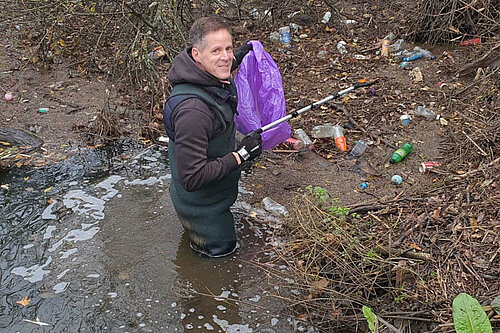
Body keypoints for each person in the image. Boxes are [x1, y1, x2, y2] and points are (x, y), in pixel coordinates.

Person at [163, 16, 262, 258]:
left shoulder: (200, 72)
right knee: (219, 267)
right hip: (204, 211)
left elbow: (222, 63)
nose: (225, 57)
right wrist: (241, 156)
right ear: (197, 55)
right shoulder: (193, 112)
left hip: (209, 200)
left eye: (228, 48)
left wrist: (240, 54)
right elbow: (192, 177)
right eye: (216, 50)